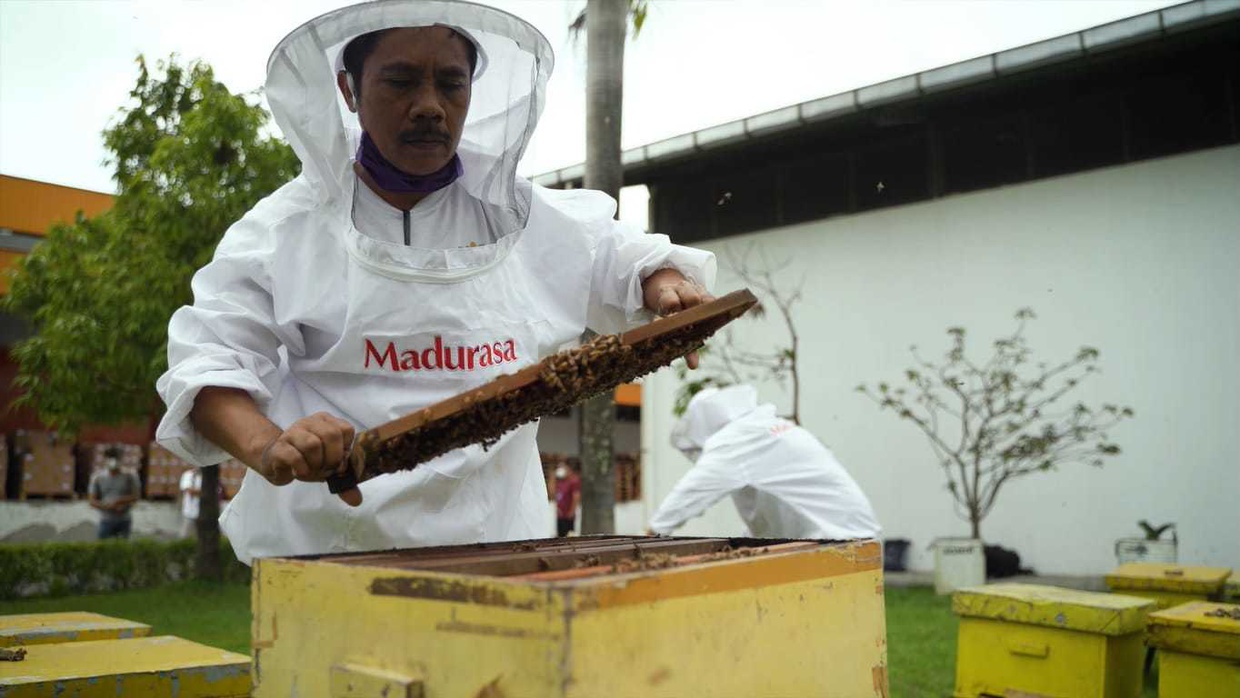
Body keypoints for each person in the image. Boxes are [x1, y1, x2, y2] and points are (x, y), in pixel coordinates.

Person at [156, 1, 715, 565]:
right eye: (399, 81)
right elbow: (209, 366)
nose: (428, 106)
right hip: (329, 548)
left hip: (500, 547)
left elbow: (627, 257)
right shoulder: (282, 231)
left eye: (452, 84)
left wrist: (666, 286)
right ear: (349, 91)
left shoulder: (523, 217)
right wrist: (271, 445)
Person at [648, 385, 881, 540]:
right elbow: (766, 507)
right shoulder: (764, 430)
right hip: (851, 533)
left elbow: (693, 492)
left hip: (837, 539)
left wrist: (654, 531)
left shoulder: (738, 439)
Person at [88, 447, 141, 540]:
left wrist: (120, 501)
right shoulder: (97, 477)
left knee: (122, 548)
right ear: (105, 460)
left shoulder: (130, 476)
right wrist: (106, 506)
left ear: (121, 459)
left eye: (116, 458)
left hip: (124, 519)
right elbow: (92, 500)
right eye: (110, 458)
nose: (113, 462)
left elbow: (136, 496)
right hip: (106, 520)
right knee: (103, 549)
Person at [554, 458, 581, 537]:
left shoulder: (574, 481)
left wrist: (571, 511)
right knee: (560, 536)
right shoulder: (561, 481)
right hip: (560, 514)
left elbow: (576, 497)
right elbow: (556, 495)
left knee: (569, 536)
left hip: (568, 515)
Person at [178, 467, 202, 539]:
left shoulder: (207, 477)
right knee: (185, 536)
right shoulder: (188, 475)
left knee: (200, 538)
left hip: (203, 513)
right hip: (189, 512)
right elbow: (190, 491)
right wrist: (204, 492)